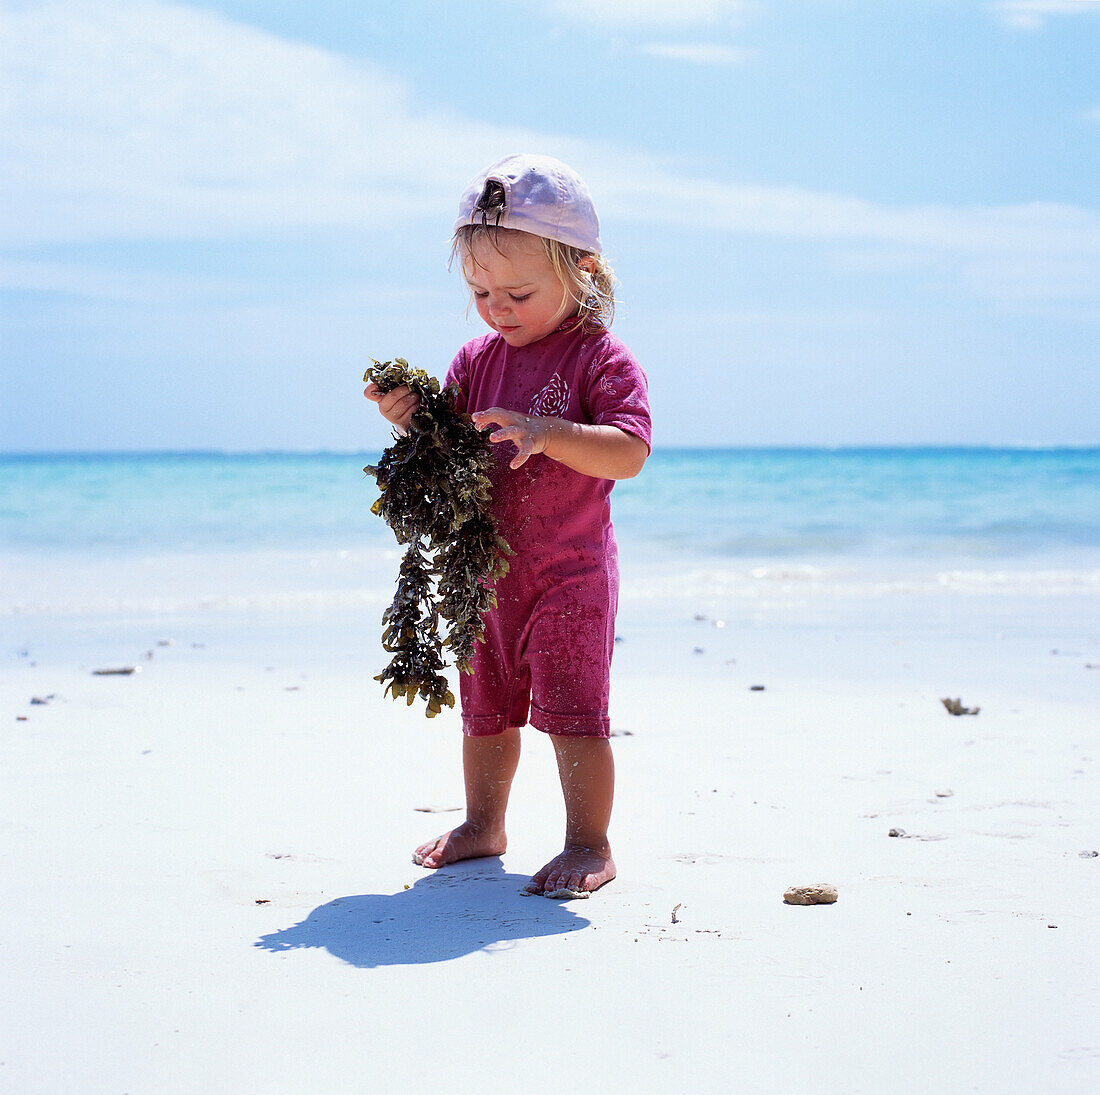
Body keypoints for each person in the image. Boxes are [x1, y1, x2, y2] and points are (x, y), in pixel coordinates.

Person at [365, 154, 651, 898]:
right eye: (480, 291)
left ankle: (590, 841)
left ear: (582, 269)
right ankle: (483, 824)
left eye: (518, 291)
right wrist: (413, 418)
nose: (497, 307)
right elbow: (448, 453)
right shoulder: (475, 361)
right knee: (484, 705)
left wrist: (548, 431)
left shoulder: (600, 358)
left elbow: (630, 452)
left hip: (571, 573)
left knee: (572, 713)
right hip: (485, 571)